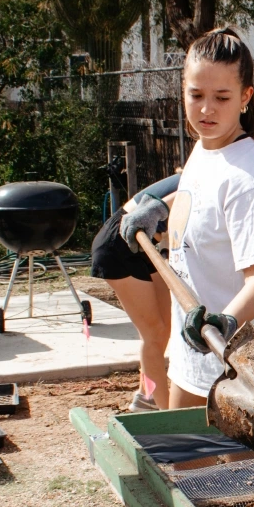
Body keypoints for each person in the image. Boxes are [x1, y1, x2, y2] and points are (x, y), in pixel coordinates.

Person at [121, 29, 254, 408]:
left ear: (246, 97)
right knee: (186, 467)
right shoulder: (207, 147)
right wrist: (161, 206)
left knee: (241, 471)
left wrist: (224, 324)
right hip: (195, 355)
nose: (206, 110)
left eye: (221, 97)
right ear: (182, 90)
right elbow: (199, 194)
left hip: (247, 365)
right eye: (196, 95)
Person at [90, 171, 177, 410]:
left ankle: (146, 395)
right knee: (153, 332)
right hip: (121, 241)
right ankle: (165, 412)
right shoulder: (202, 176)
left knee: (166, 326)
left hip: (144, 243)